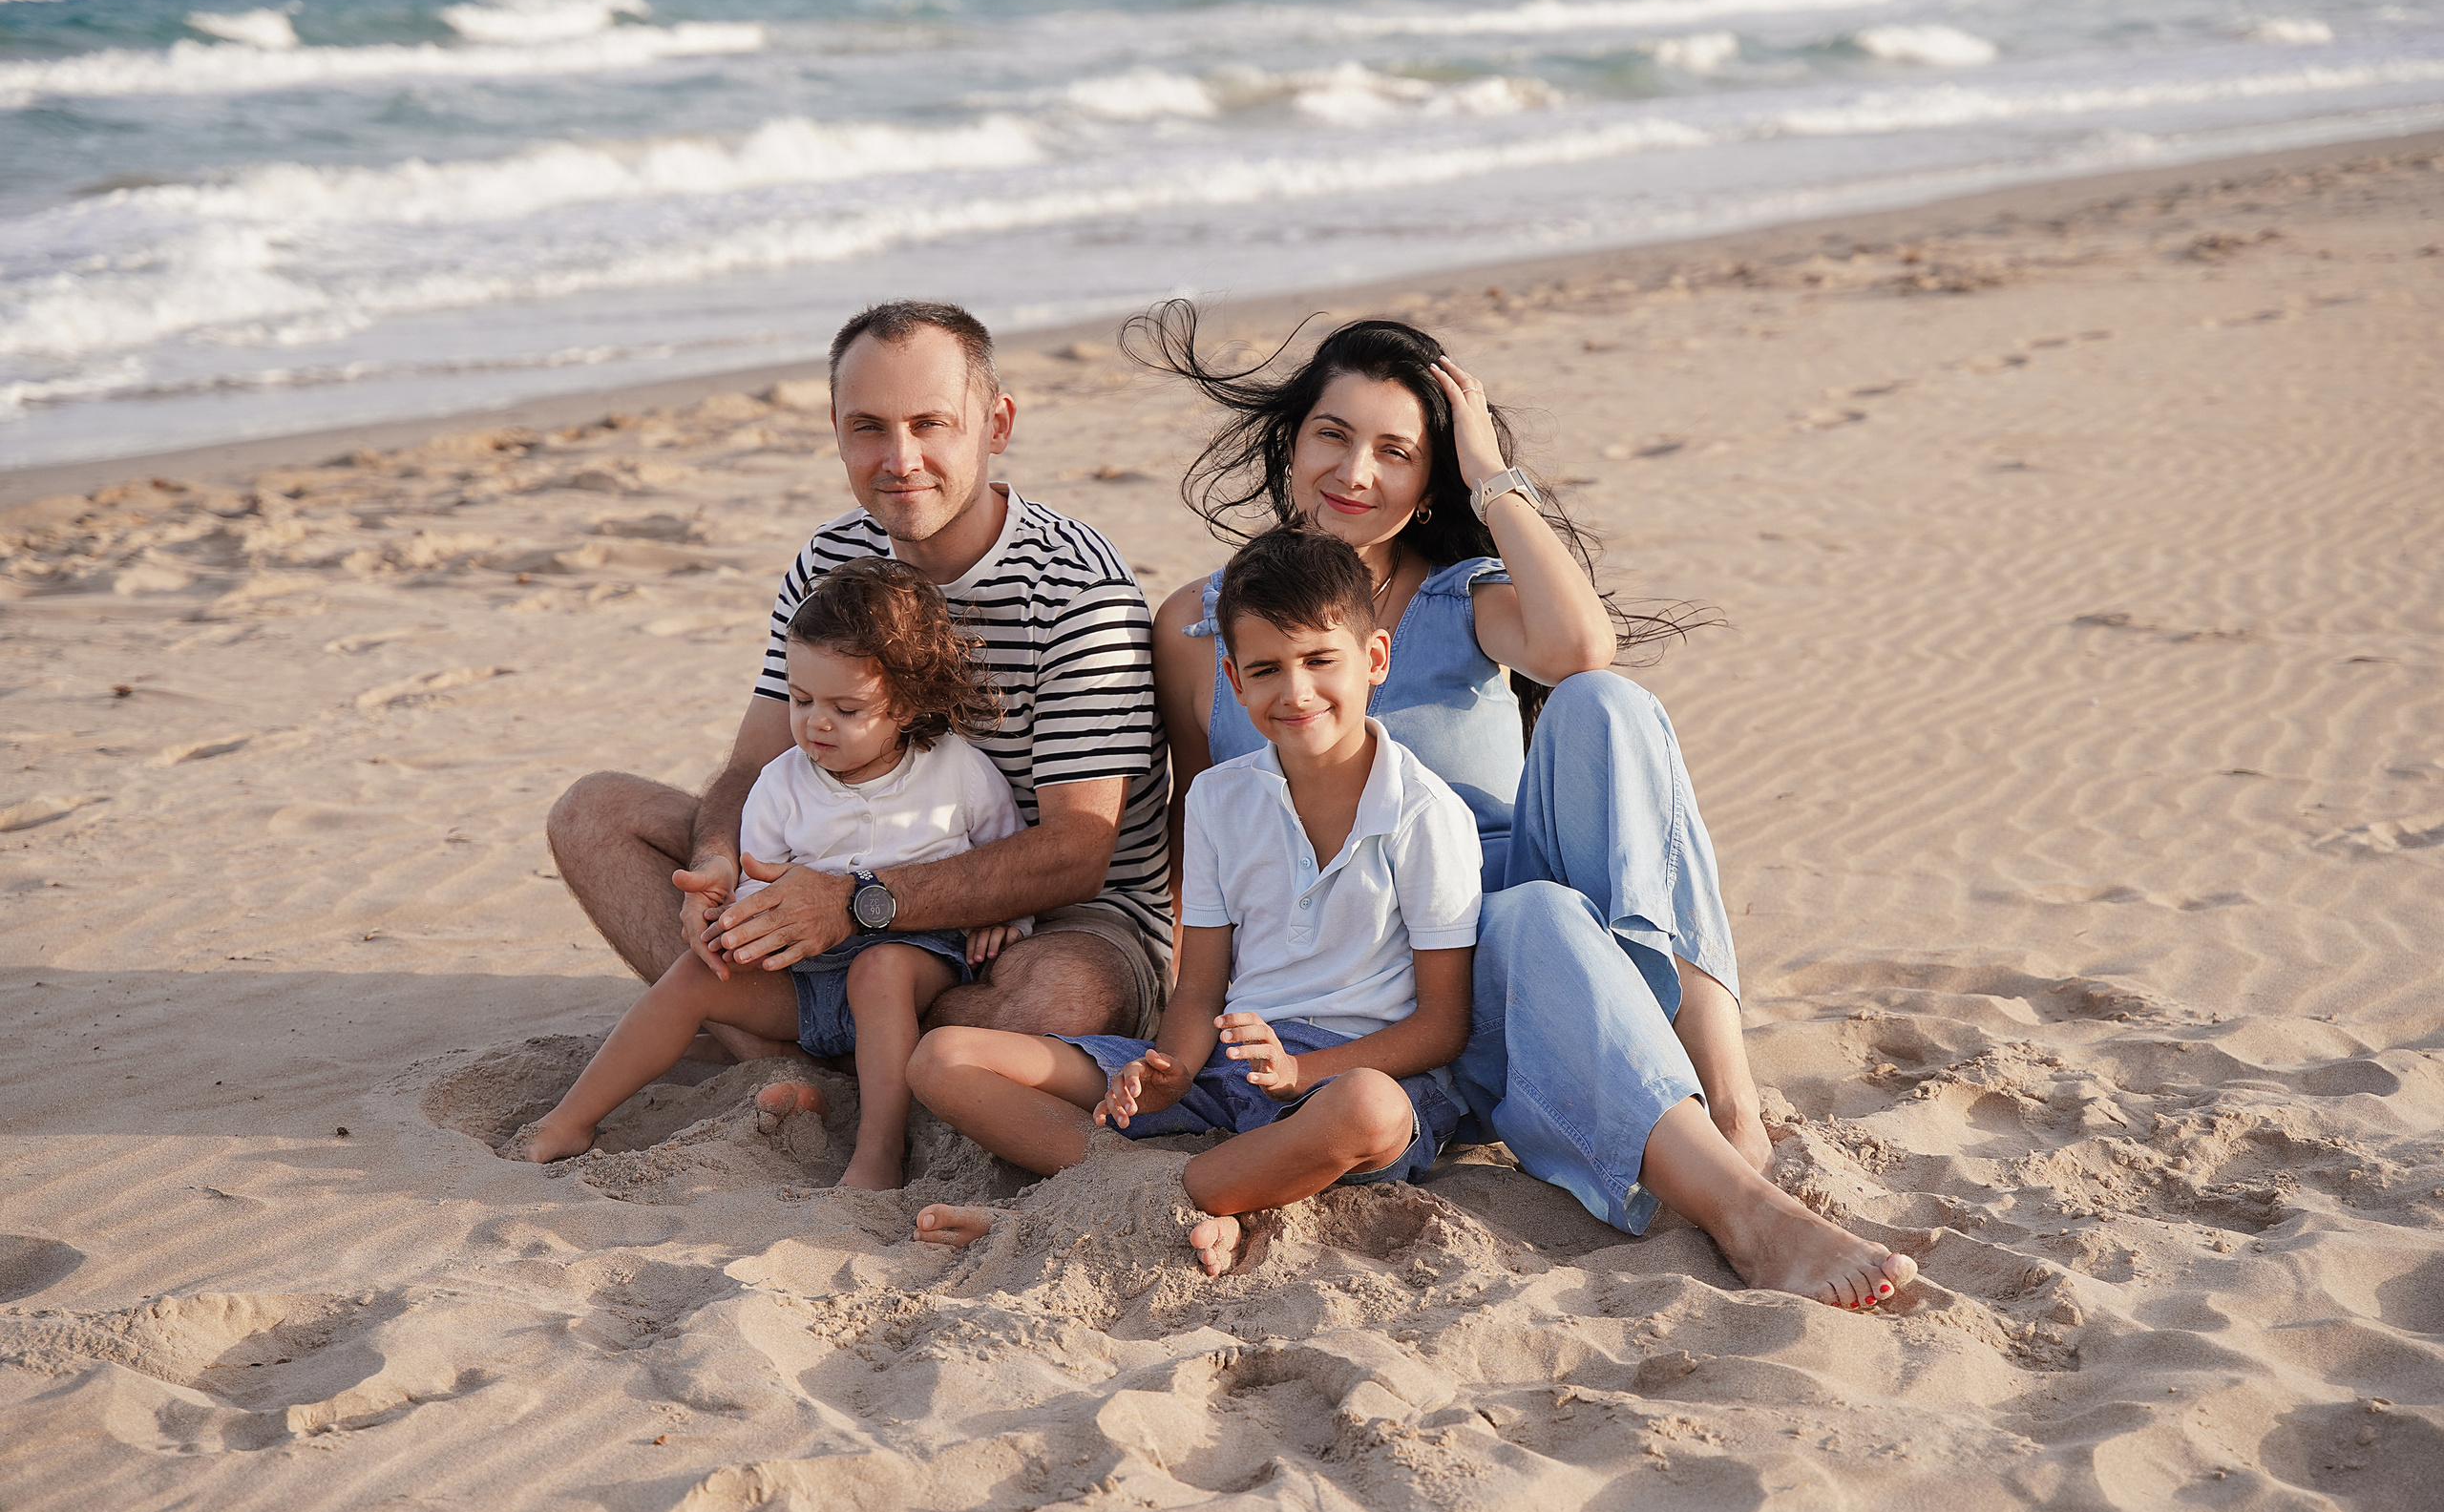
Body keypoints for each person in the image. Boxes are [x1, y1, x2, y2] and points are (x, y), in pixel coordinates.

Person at [1124, 303, 1913, 1310]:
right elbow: (1201, 825)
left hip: (1516, 946)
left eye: (1395, 452)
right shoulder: (1199, 626)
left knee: (1604, 707)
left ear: (1430, 476)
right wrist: (1193, 1026)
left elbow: (1579, 649)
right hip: (1359, 985)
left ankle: (1730, 1111)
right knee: (1532, 910)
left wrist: (1490, 470)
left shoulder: (1461, 595)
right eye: (1332, 435)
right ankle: (1745, 1211)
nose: (1355, 473)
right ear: (1291, 444)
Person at [544, 301, 1171, 1065]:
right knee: (592, 815)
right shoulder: (828, 560)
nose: (899, 458)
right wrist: (714, 861)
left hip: (1050, 915)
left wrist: (858, 904)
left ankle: (817, 1050)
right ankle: (800, 1063)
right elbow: (752, 766)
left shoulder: (1078, 592)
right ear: (836, 429)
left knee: (1064, 994)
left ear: (996, 425)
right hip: (833, 856)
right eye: (868, 426)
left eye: (930, 424)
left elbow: (1077, 853)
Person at [905, 530, 1481, 1274]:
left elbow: (1443, 1024)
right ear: (1234, 683)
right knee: (944, 1057)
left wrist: (1303, 1075)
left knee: (1369, 1109)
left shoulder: (1427, 813)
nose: (1295, 691)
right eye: (1267, 669)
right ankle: (1189, 1192)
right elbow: (1201, 983)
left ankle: (1122, 1203)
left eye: (1319, 661)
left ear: (1373, 660)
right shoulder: (1216, 797)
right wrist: (1170, 1066)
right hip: (1224, 1070)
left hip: (1347, 1079)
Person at [505, 557, 1030, 1188]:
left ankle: (879, 1152)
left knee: (878, 969)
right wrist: (733, 913)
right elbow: (756, 874)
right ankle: (572, 1117)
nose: (817, 723)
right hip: (805, 973)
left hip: (911, 953)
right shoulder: (783, 781)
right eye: (803, 700)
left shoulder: (959, 773)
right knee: (699, 971)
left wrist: (1007, 918)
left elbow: (1005, 859)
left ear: (908, 703)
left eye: (846, 707)